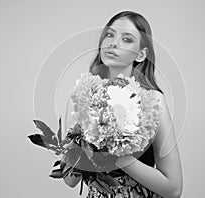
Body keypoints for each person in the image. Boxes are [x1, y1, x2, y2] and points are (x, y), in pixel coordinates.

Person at [63, 10, 183, 198]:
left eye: (126, 39)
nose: (113, 43)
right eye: (109, 35)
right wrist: (85, 138)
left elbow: (173, 189)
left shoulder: (153, 101)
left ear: (141, 54)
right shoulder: (81, 98)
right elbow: (69, 179)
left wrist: (117, 156)